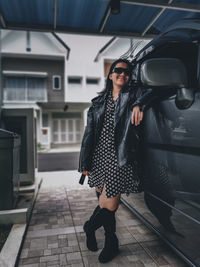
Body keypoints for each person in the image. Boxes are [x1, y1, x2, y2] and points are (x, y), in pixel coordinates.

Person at [78, 58, 155, 263]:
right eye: (118, 70)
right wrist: (84, 164)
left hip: (119, 156)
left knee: (109, 205)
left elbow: (154, 90)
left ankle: (90, 227)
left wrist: (139, 103)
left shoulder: (134, 95)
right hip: (98, 157)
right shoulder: (97, 104)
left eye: (127, 72)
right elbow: (88, 135)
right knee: (105, 206)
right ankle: (111, 242)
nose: (123, 74)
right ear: (110, 74)